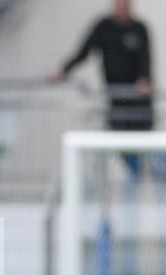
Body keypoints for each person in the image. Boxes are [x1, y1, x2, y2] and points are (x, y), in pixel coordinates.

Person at [48, 0, 152, 175]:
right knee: (123, 148)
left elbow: (146, 60)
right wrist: (63, 71)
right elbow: (83, 52)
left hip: (138, 102)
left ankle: (142, 181)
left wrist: (144, 80)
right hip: (116, 102)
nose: (121, 7)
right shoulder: (103, 27)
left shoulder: (140, 28)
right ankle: (137, 180)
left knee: (140, 147)